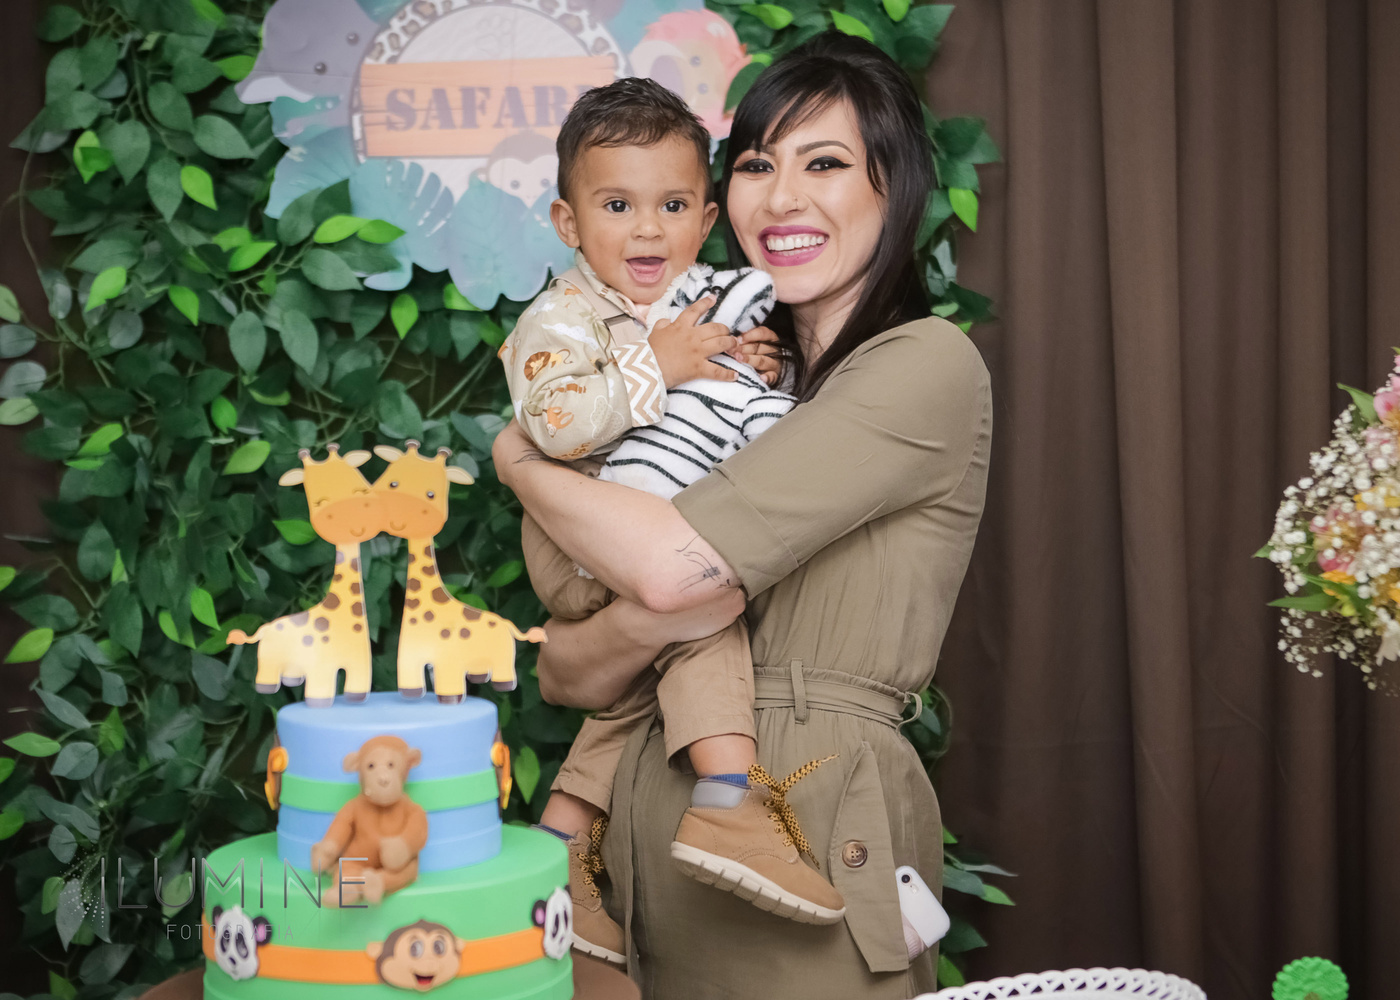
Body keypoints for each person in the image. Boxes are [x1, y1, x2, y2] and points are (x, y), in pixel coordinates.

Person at [494, 33, 992, 998]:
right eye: (759, 164)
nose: (783, 197)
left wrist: (518, 460)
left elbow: (670, 572)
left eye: (826, 163)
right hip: (646, 849)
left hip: (808, 825)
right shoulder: (727, 389)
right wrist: (658, 619)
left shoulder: (924, 363)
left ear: (895, 188)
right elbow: (563, 671)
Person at [499, 78, 846, 968]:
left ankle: (561, 845)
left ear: (705, 218)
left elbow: (721, 379)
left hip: (645, 525)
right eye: (617, 206)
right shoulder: (563, 316)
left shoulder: (692, 298)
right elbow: (553, 424)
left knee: (644, 676)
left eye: (674, 205)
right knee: (705, 613)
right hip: (578, 534)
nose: (648, 230)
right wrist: (658, 364)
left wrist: (749, 359)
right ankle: (730, 801)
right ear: (569, 222)